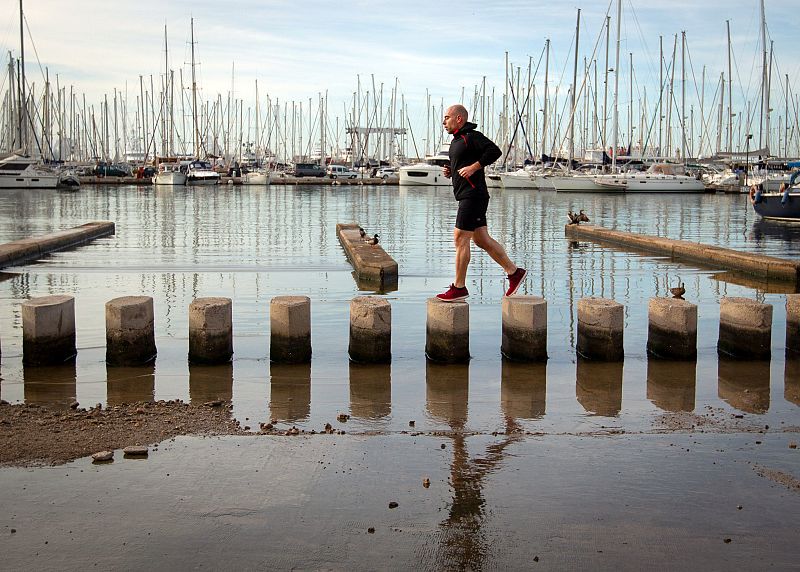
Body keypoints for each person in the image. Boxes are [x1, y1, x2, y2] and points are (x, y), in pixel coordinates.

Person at [436, 104, 526, 302]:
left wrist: (474, 167)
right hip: (468, 195)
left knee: (460, 237)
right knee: (481, 239)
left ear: (459, 119)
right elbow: (463, 163)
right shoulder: (457, 140)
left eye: (447, 118)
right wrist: (452, 171)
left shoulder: (471, 136)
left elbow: (494, 151)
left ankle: (459, 288)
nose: (444, 122)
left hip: (473, 195)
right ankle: (514, 272)